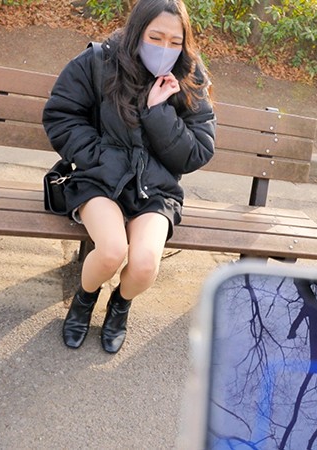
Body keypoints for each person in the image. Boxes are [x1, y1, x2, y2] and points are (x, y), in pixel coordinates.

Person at [42, 0, 215, 353]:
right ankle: (84, 299)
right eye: (156, 37)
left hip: (155, 190)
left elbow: (197, 151)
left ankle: (119, 305)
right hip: (100, 181)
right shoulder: (98, 61)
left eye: (175, 41)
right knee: (111, 251)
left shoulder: (189, 76)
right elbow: (61, 115)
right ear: (137, 32)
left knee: (145, 264)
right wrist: (99, 157)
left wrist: (157, 112)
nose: (165, 48)